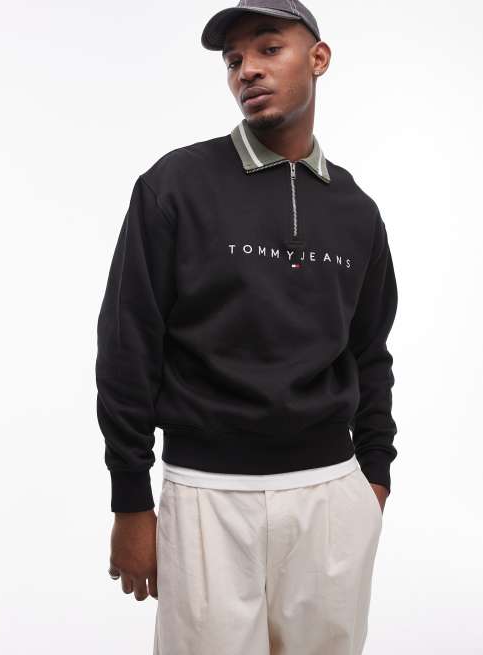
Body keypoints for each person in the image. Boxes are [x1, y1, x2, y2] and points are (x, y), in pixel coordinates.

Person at [95, 1, 399, 653]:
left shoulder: (356, 210)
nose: (247, 70)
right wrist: (130, 499)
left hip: (331, 498)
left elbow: (370, 351)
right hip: (207, 498)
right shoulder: (175, 185)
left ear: (318, 58)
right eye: (233, 60)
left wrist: (373, 476)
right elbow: (127, 345)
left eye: (268, 48)